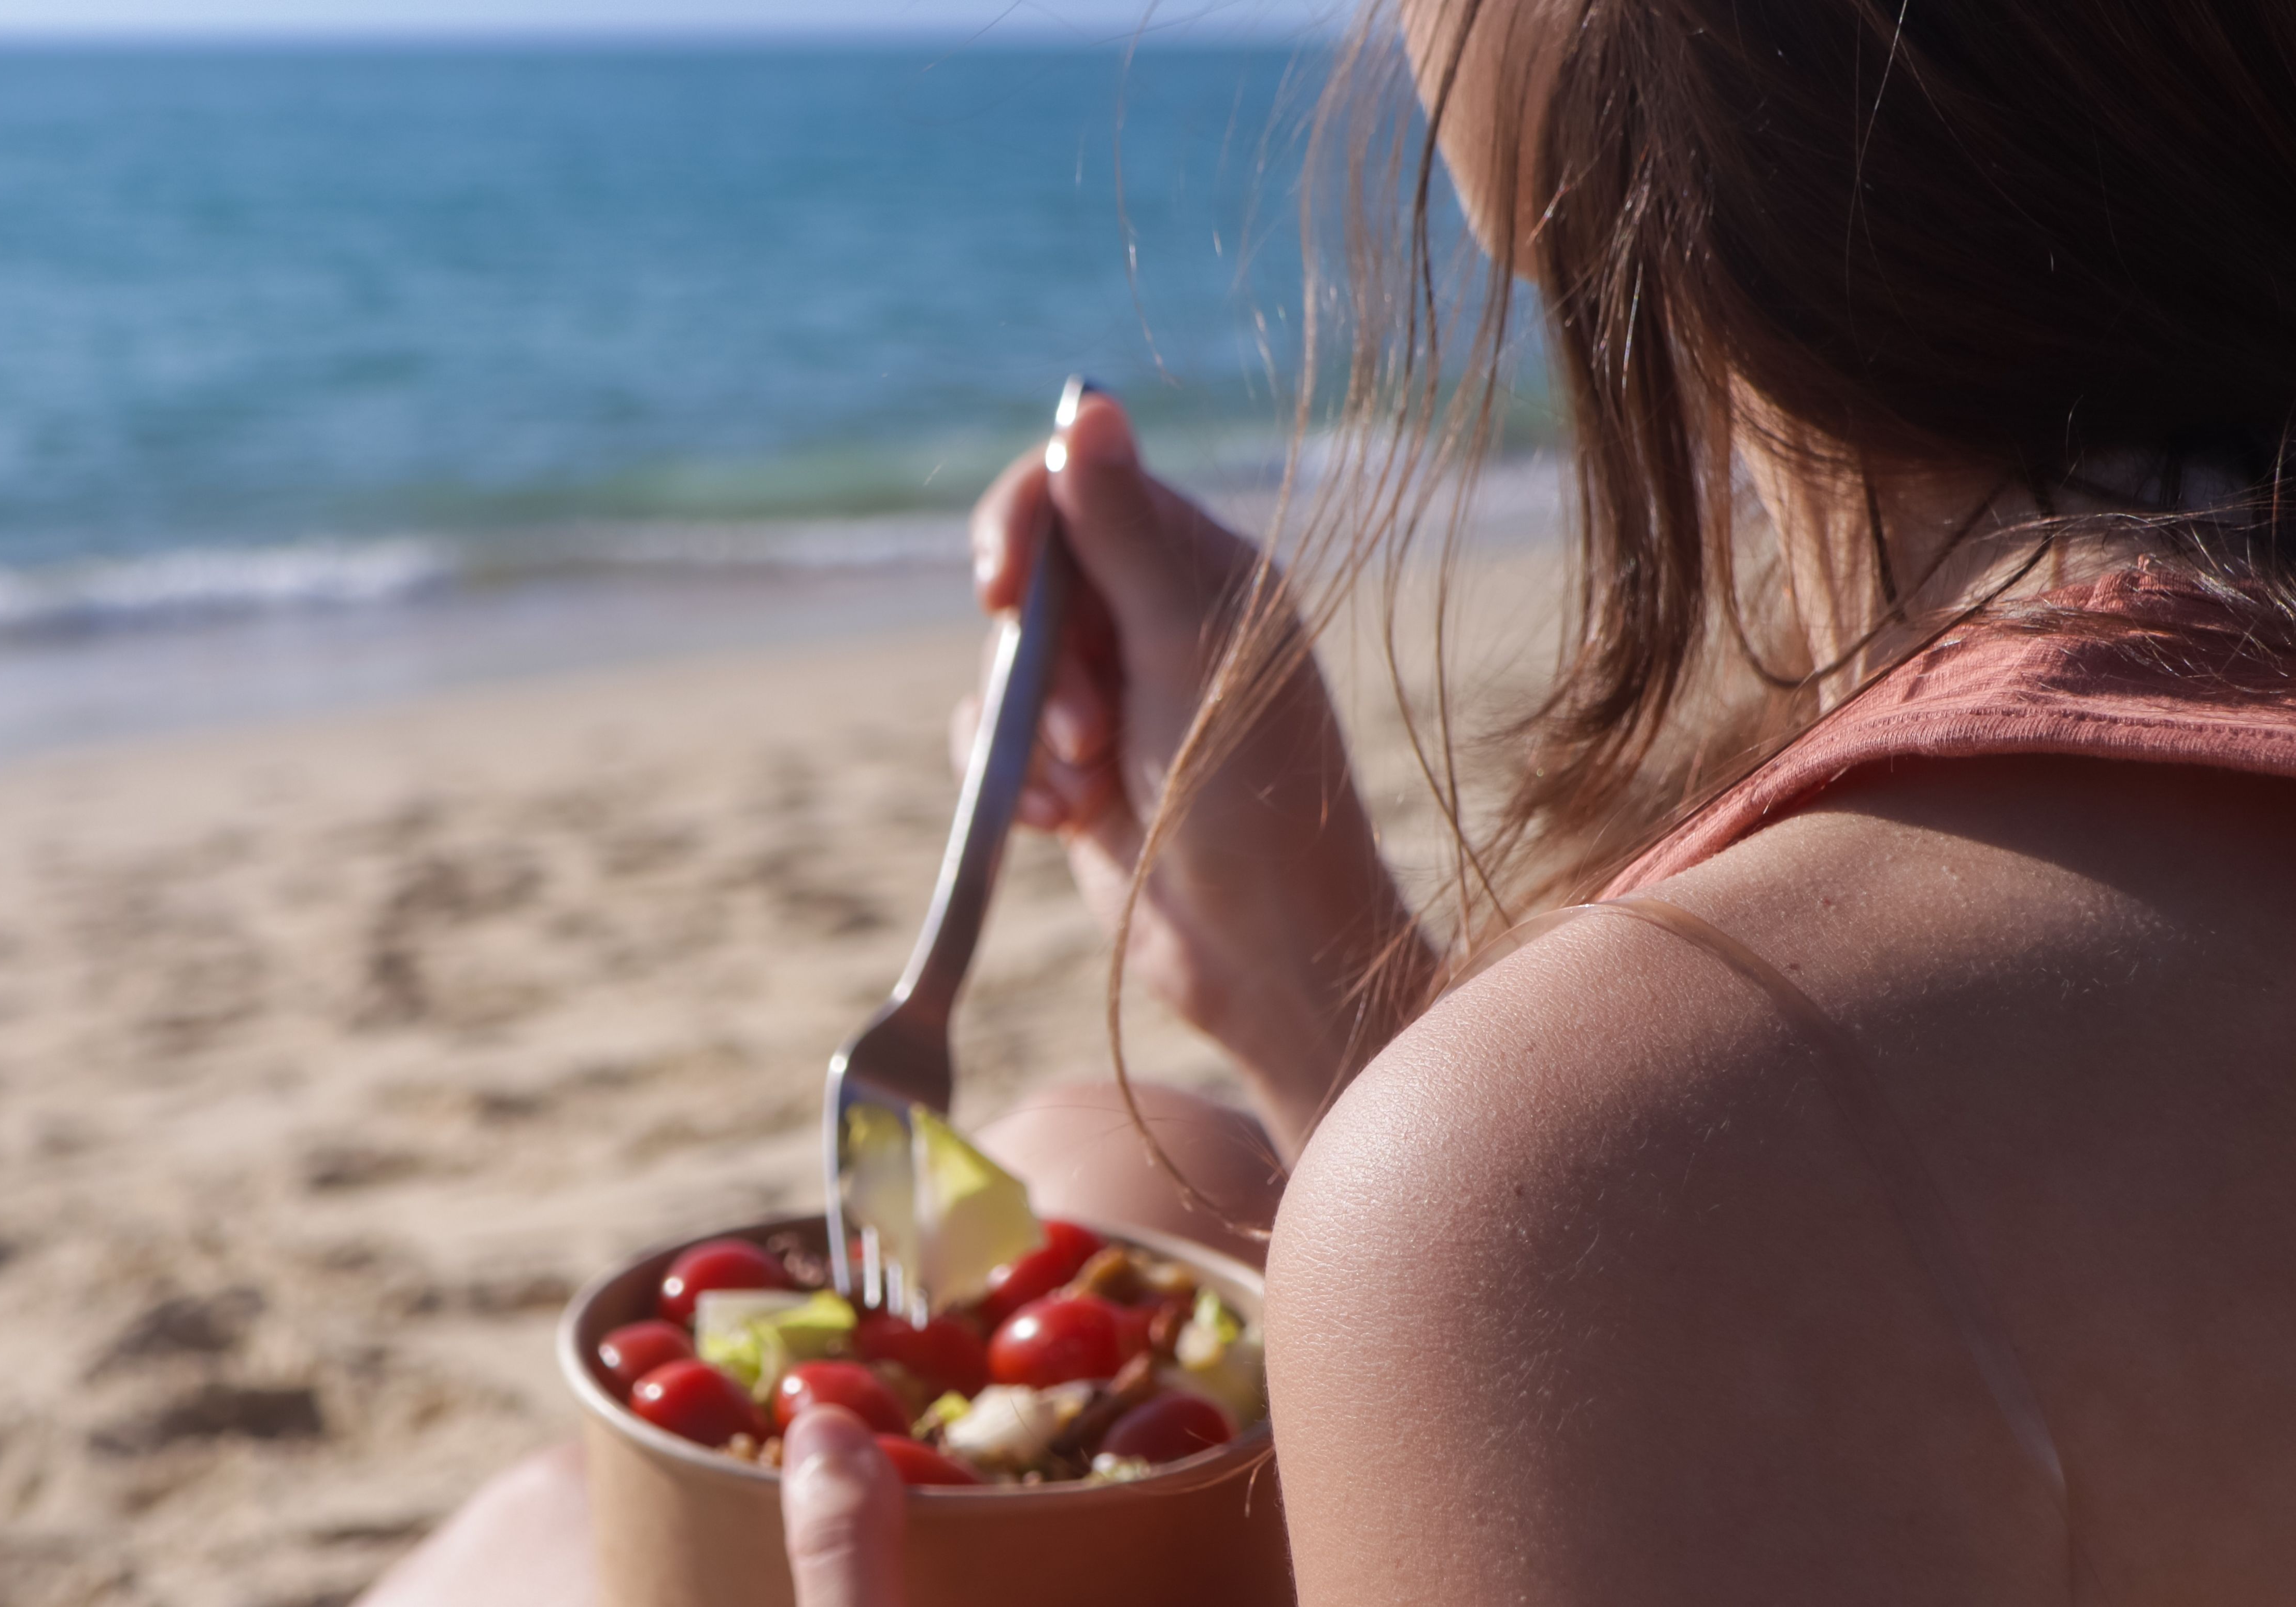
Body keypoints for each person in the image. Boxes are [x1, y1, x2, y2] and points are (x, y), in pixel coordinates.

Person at [376, 0, 2296, 1599]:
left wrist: (1490, 1149)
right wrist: (1311, 976)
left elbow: (1682, 1243)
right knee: (1113, 1157)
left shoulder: (1684, 1179)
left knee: (559, 1539)